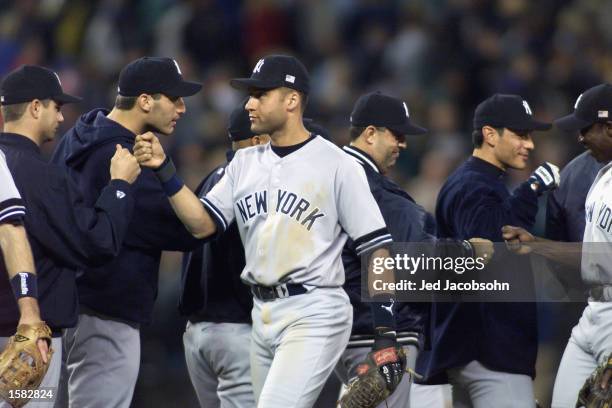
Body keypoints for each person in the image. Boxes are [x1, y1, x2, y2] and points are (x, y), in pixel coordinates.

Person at [134, 54, 401, 408]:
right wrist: (164, 169)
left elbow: (376, 250)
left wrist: (386, 333)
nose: (249, 103)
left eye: (260, 94)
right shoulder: (244, 163)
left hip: (315, 309)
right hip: (260, 315)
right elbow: (201, 224)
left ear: (292, 100)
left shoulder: (337, 164)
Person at [49, 57, 202, 408]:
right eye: (174, 98)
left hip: (61, 307)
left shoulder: (77, 137)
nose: (182, 107)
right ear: (145, 100)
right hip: (106, 316)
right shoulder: (126, 156)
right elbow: (189, 230)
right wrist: (171, 176)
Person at [336, 91, 490, 408]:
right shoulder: (374, 190)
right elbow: (413, 260)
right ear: (369, 134)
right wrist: (464, 250)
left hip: (338, 327)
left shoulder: (328, 173)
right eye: (397, 134)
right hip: (382, 331)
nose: (403, 144)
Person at [0, 64, 140, 408]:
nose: (61, 118)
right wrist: (119, 186)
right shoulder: (41, 175)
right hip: (30, 341)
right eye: (56, 107)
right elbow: (98, 243)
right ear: (35, 107)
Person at [424, 94, 559, 407]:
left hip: (472, 345)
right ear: (489, 134)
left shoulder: (476, 180)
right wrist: (533, 189)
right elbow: (492, 245)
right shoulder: (472, 183)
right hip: (488, 350)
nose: (530, 145)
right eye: (520, 135)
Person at [504, 83, 612, 407]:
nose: (579, 138)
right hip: (593, 311)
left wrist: (539, 245)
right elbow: (592, 260)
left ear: (609, 127)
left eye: (585, 129)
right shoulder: (601, 177)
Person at [181, 102, 268, 408]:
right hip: (236, 332)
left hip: (197, 334)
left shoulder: (210, 179)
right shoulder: (253, 183)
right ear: (258, 140)